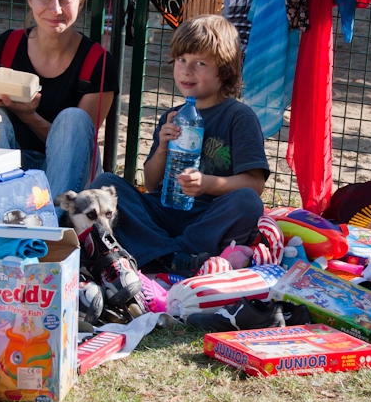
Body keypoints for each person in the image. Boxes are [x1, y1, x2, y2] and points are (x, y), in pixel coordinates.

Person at [90, 14, 269, 275]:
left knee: (247, 203)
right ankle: (173, 257)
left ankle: (164, 253)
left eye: (199, 63)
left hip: (210, 217)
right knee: (105, 185)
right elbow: (151, 184)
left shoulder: (239, 117)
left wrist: (208, 184)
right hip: (164, 212)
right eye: (181, 60)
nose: (186, 70)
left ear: (225, 69)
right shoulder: (172, 116)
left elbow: (255, 185)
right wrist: (162, 147)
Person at [0, 0, 118, 200]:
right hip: (11, 164)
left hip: (70, 175)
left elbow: (79, 144)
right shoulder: (7, 46)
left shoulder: (98, 61)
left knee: (73, 118)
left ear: (81, 2)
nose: (56, 9)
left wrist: (29, 115)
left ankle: (53, 220)